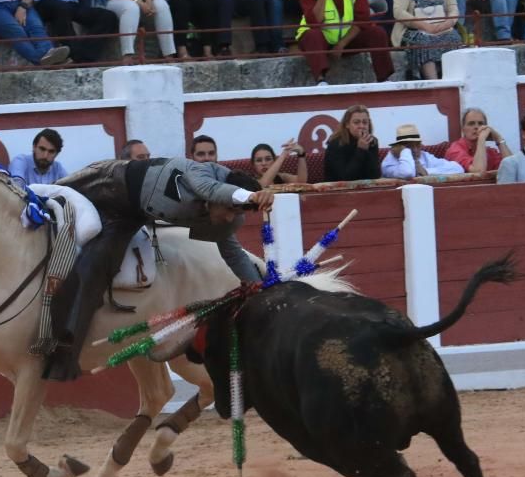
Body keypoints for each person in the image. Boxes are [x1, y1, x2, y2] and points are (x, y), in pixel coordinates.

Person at [44, 156, 275, 380]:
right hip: (108, 184)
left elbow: (234, 255)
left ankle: (65, 350)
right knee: (41, 195)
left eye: (236, 212)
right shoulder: (200, 172)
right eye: (230, 209)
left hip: (127, 216)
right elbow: (210, 189)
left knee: (94, 268)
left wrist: (259, 291)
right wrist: (251, 195)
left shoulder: (226, 216)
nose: (229, 218)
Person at [295, 0, 394, 86]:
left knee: (377, 33)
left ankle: (384, 80)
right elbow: (314, 23)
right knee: (312, 35)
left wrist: (341, 44)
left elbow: (362, 19)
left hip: (348, 40)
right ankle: (321, 81)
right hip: (320, 40)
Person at [381, 123, 465, 177]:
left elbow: (458, 168)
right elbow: (407, 173)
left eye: (417, 145)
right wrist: (405, 151)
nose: (415, 150)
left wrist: (426, 171)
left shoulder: (424, 156)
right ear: (399, 147)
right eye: (409, 146)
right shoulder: (389, 162)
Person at [323, 104, 381, 180]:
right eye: (356, 122)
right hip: (338, 188)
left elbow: (375, 175)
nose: (361, 126)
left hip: (365, 187)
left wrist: (368, 150)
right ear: (347, 124)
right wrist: (361, 150)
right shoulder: (336, 143)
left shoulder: (372, 141)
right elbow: (345, 177)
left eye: (365, 122)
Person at [445, 106, 511, 172]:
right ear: (463, 129)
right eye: (471, 124)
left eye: (480, 123)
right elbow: (478, 171)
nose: (476, 127)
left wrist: (498, 139)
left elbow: (512, 168)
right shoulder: (455, 150)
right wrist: (482, 139)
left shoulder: (490, 152)